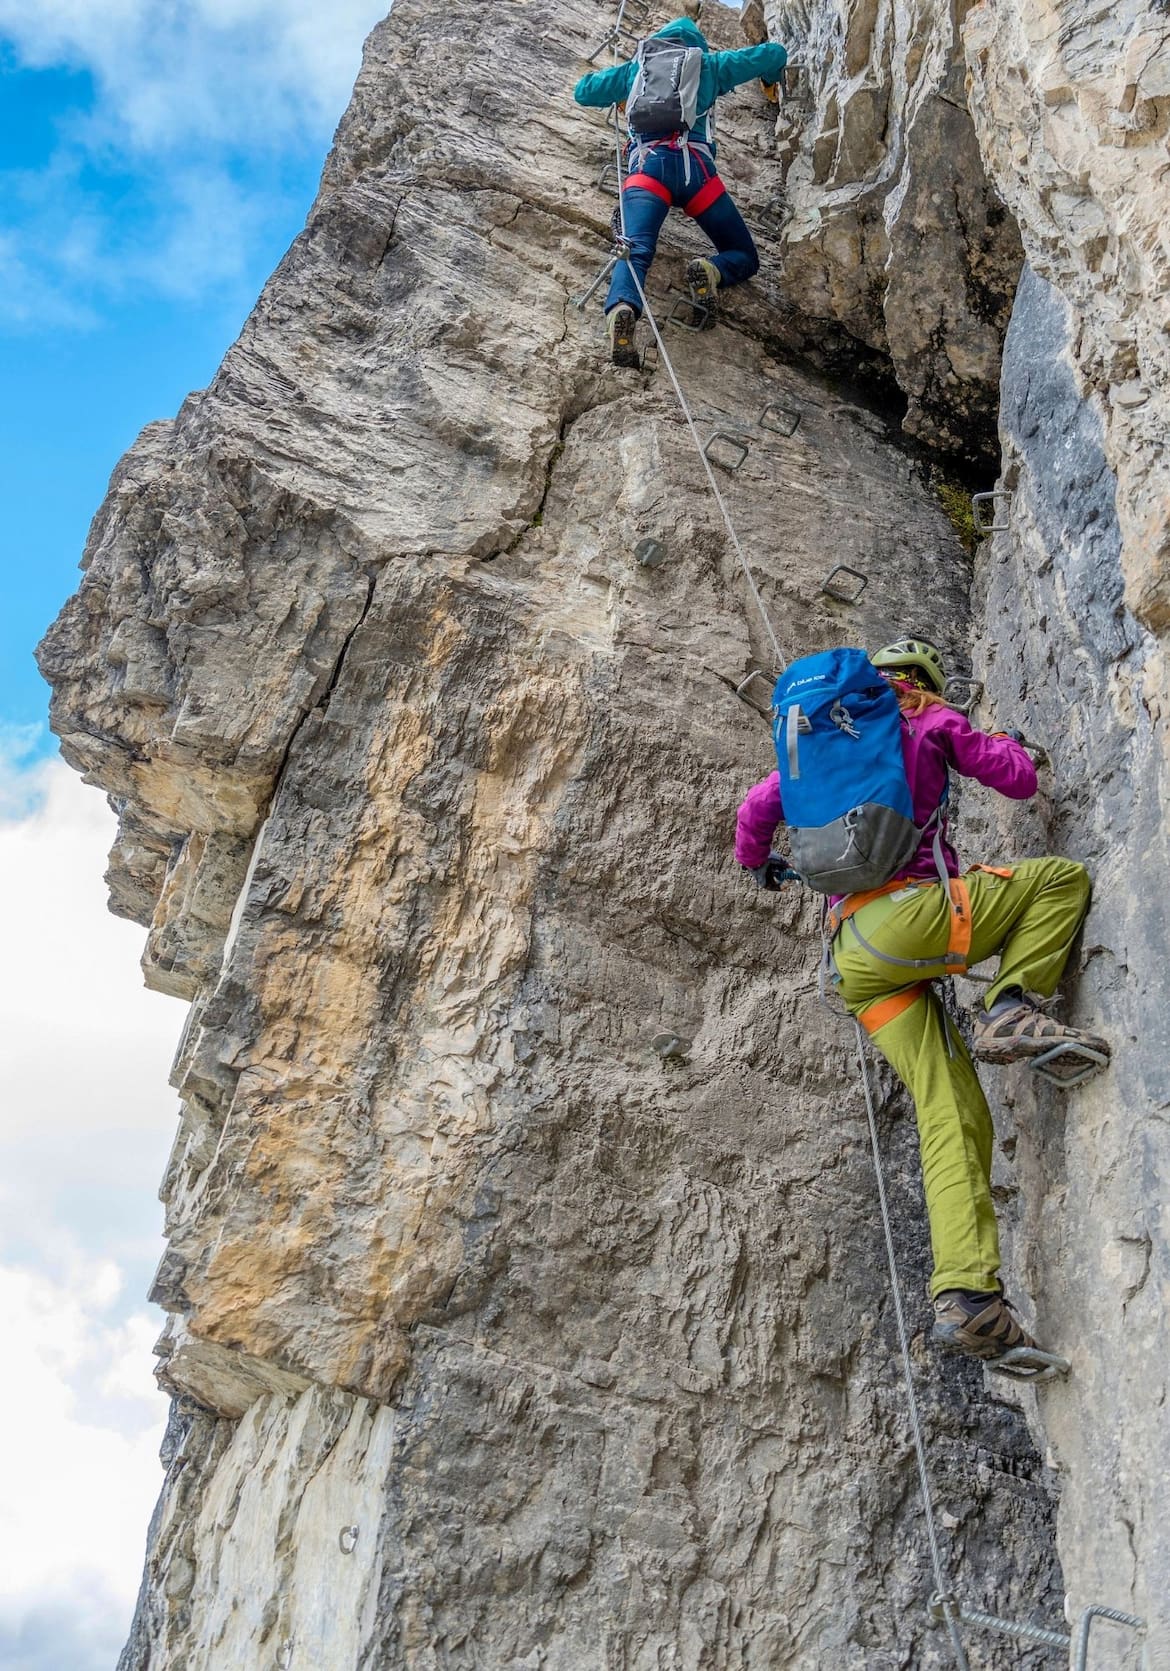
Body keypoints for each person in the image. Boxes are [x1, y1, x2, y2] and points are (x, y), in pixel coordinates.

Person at [735, 638, 1111, 1369]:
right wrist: (988, 737)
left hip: (855, 960)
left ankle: (969, 1298)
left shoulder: (814, 753)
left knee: (950, 1108)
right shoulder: (929, 723)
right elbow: (1021, 779)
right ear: (925, 685)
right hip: (913, 918)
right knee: (1057, 880)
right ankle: (1010, 1004)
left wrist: (764, 867)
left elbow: (755, 813)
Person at [573, 2, 788, 366]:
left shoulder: (637, 69)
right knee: (744, 255)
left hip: (648, 170)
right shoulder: (710, 65)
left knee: (635, 250)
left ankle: (622, 309)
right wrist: (769, 79)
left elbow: (583, 91)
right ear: (695, 47)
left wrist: (628, 86)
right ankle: (711, 270)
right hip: (696, 174)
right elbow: (774, 53)